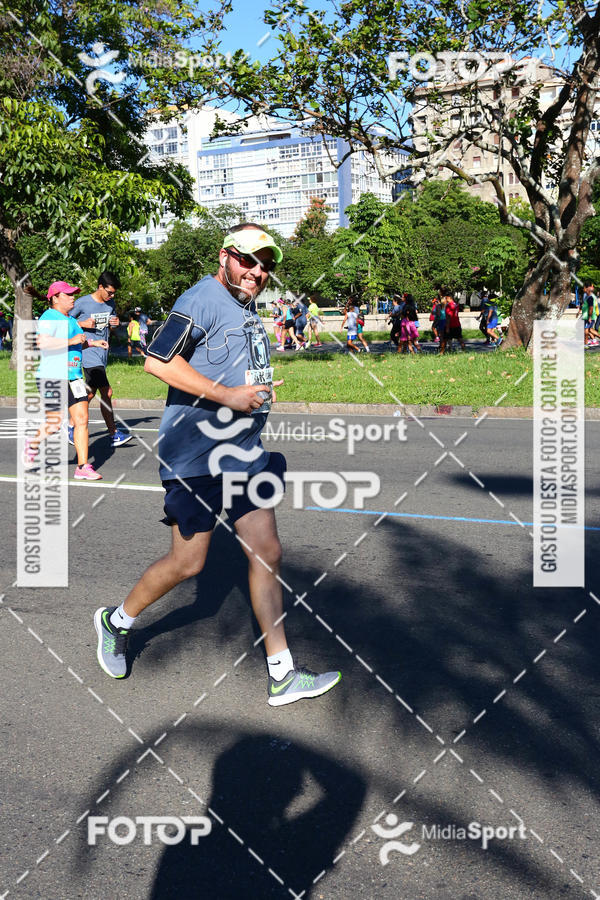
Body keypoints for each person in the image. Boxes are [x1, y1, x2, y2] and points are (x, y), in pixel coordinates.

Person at [93, 223, 341, 706]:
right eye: (248, 260)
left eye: (265, 265)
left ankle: (282, 672)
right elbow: (157, 361)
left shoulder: (246, 306)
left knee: (266, 550)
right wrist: (227, 395)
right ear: (224, 256)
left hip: (244, 453)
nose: (257, 272)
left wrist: (253, 396)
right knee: (189, 563)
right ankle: (116, 620)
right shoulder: (201, 299)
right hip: (195, 456)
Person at [23, 281, 107, 480]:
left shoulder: (70, 320)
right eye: (68, 294)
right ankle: (33, 444)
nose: (72, 297)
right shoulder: (49, 317)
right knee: (54, 422)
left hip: (74, 377)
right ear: (55, 298)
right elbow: (42, 343)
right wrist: (72, 341)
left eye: (73, 294)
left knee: (82, 419)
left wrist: (93, 342)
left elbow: (78, 343)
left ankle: (83, 466)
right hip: (51, 376)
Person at [69, 271, 132, 446]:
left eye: (113, 293)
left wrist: (115, 324)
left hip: (102, 353)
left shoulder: (110, 303)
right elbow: (63, 321)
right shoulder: (82, 303)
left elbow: (109, 325)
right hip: (88, 352)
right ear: (100, 287)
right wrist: (81, 324)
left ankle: (70, 425)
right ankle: (113, 434)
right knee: (107, 392)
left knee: (89, 393)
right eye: (109, 292)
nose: (111, 296)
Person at [579, 281, 600, 346]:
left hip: (590, 316)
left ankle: (586, 343)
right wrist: (579, 311)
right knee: (590, 329)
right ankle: (592, 341)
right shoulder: (586, 296)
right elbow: (584, 305)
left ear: (587, 288)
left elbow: (591, 308)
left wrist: (590, 317)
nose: (583, 289)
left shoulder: (590, 297)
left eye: (584, 288)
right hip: (587, 316)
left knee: (586, 330)